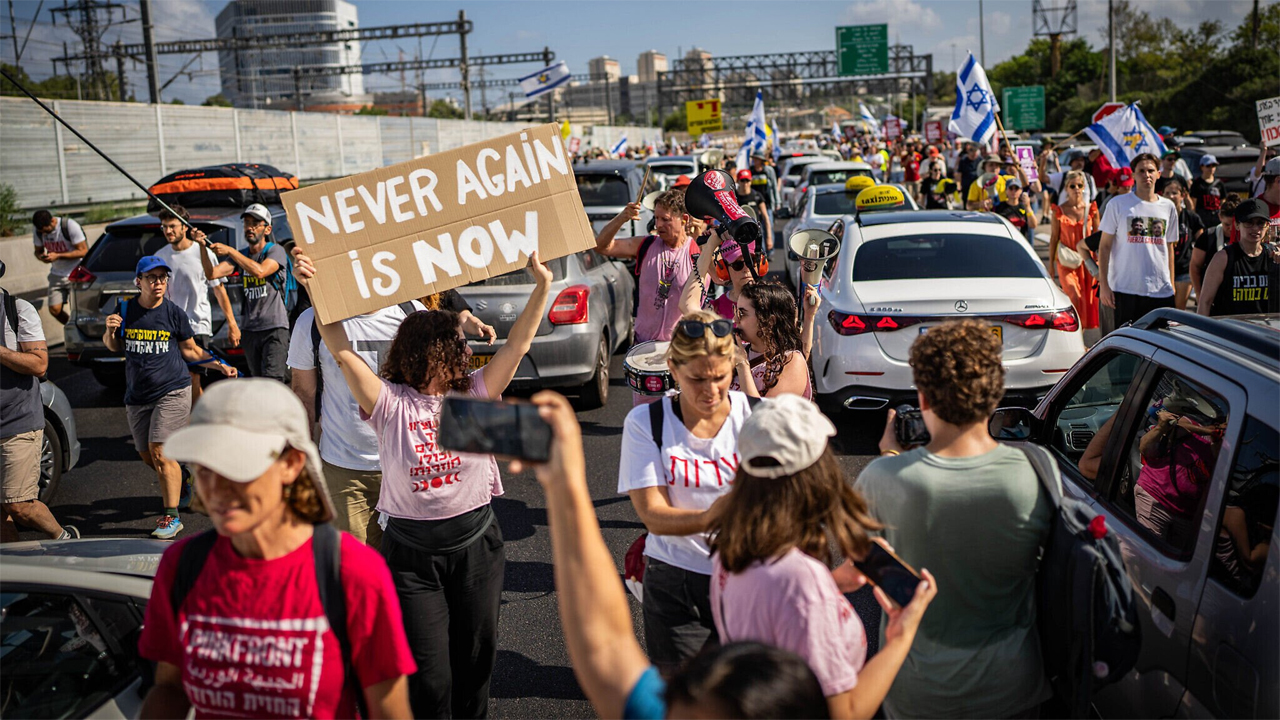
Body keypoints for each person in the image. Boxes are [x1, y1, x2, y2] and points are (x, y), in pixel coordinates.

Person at [293, 247, 550, 718]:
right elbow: (342, 350)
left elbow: (517, 346)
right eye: (455, 346)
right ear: (429, 354)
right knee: (430, 679)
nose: (466, 352)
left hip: (476, 547)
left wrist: (543, 287)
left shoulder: (474, 393)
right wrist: (314, 288)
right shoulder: (389, 403)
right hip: (412, 557)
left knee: (475, 664)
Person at [516, 391, 831, 720]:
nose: (709, 389)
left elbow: (607, 648)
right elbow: (841, 700)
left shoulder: (671, 711)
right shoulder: (799, 583)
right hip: (678, 580)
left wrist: (564, 481)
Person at [137, 379, 416, 719]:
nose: (217, 488)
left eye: (238, 468)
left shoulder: (352, 572)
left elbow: (390, 710)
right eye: (205, 468)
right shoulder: (182, 566)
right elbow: (169, 688)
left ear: (291, 464)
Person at [857, 319, 1053, 718]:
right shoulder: (1037, 471)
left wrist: (891, 457)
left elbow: (865, 563)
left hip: (920, 692)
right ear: (995, 394)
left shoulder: (882, 478)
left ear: (924, 398)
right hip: (1012, 687)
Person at [709, 395, 937, 719]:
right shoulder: (802, 582)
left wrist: (833, 583)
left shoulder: (732, 548)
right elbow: (846, 712)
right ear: (816, 475)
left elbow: (774, 604)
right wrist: (902, 635)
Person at [287, 289, 491, 550]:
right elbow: (303, 395)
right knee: (354, 564)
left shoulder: (413, 313)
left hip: (410, 466)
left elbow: (436, 391)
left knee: (409, 562)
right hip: (345, 469)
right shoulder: (311, 321)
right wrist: (302, 462)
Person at [617, 312, 756, 668]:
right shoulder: (646, 422)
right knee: (686, 691)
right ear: (673, 370)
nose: (710, 391)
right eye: (697, 379)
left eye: (720, 377)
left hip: (750, 579)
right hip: (676, 581)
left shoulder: (757, 417)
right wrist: (714, 516)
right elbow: (654, 515)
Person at [103, 256, 237, 539]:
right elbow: (114, 347)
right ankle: (184, 476)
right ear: (138, 281)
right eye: (151, 278)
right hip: (137, 395)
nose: (158, 283)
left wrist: (219, 364)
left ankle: (171, 517)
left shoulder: (174, 313)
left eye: (163, 277)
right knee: (148, 456)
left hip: (173, 389)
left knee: (160, 451)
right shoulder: (125, 309)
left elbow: (190, 349)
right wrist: (110, 331)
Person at [1, 261, 77, 542]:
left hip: (16, 421)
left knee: (19, 505)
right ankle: (14, 563)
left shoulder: (17, 310)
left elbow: (39, 364)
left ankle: (63, 538)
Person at [595, 190, 697, 359]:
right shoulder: (646, 245)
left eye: (665, 219)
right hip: (643, 345)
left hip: (682, 348)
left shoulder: (698, 252)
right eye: (656, 218)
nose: (658, 225)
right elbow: (601, 247)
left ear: (684, 219)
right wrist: (622, 218)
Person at [154, 204, 239, 406]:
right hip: (169, 328)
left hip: (197, 325)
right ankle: (197, 416)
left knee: (192, 376)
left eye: (172, 226)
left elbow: (219, 290)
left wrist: (232, 324)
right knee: (177, 380)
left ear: (185, 227)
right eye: (164, 226)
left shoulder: (202, 252)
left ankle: (194, 420)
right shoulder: (160, 256)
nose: (168, 231)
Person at [206, 203, 291, 384]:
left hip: (274, 327)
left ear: (267, 229)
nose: (249, 228)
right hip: (250, 330)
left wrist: (230, 251)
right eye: (247, 223)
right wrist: (201, 246)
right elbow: (212, 274)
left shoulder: (275, 251)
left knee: (273, 381)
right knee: (258, 383)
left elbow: (260, 271)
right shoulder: (242, 255)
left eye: (255, 223)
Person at [1098, 153, 1179, 328]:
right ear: (1133, 175)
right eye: (1141, 171)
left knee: (1160, 341)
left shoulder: (1168, 207)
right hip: (1125, 290)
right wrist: (1104, 285)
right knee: (1127, 341)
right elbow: (1104, 246)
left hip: (1160, 291)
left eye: (1150, 170)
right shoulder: (1117, 204)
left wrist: (1171, 284)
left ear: (1158, 174)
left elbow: (1169, 247)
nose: (1146, 175)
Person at [730, 282, 814, 399]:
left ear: (769, 321)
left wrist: (742, 365)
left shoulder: (791, 361)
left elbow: (764, 410)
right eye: (735, 311)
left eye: (741, 313)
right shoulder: (736, 352)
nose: (734, 319)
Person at [1199, 198, 1280, 317]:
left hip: (1265, 327)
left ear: (1267, 226)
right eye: (1249, 222)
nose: (1255, 228)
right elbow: (1205, 302)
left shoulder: (1273, 256)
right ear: (1237, 225)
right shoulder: (1223, 258)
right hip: (1230, 327)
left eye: (1260, 223)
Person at [1048, 170, 1101, 330]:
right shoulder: (1059, 211)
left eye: (1079, 185)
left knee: (1087, 302)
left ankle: (1080, 337)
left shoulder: (1091, 209)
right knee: (1074, 296)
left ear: (1084, 187)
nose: (1076, 189)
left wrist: (1100, 260)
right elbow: (1054, 238)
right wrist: (1050, 265)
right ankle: (1074, 334)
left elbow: (1099, 238)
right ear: (1066, 188)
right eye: (1072, 186)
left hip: (1087, 260)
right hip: (1066, 261)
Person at [30, 209, 88, 325]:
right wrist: (42, 257)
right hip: (57, 274)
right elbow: (37, 251)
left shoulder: (69, 226)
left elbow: (84, 251)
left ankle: (80, 328)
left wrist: (59, 256)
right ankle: (71, 327)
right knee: (54, 309)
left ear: (52, 221)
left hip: (76, 273)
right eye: (42, 232)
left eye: (46, 231)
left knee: (77, 309)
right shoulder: (38, 231)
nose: (44, 234)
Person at [1156, 177, 1204, 311]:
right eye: (1167, 193)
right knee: (1164, 308)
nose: (1171, 196)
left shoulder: (1191, 217)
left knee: (1178, 308)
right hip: (1162, 269)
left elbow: (1202, 242)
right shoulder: (1157, 217)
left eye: (1174, 193)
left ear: (1182, 195)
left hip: (1184, 268)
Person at [1190, 193, 1241, 298]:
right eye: (1227, 224)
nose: (1231, 229)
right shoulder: (1208, 237)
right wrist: (1199, 294)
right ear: (1220, 217)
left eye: (1235, 224)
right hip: (1213, 294)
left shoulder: (1245, 238)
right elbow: (1195, 267)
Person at [991, 178, 1038, 244]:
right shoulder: (999, 207)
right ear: (1006, 190)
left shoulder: (1025, 207)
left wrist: (1028, 207)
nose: (1013, 191)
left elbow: (1033, 225)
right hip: (1003, 243)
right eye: (1011, 188)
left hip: (1020, 243)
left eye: (1016, 188)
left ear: (1021, 191)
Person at [1189, 154, 1226, 230]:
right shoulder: (1197, 184)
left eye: (1213, 165)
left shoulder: (1219, 183)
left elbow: (1223, 201)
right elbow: (1193, 204)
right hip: (1202, 219)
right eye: (1208, 166)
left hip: (1216, 218)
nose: (1211, 168)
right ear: (1202, 167)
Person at [734, 169, 771, 244]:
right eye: (742, 180)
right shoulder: (734, 197)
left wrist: (769, 237)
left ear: (751, 181)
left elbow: (765, 217)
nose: (745, 183)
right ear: (738, 181)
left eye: (747, 181)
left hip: (756, 233)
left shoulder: (757, 196)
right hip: (739, 234)